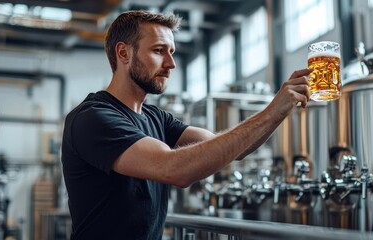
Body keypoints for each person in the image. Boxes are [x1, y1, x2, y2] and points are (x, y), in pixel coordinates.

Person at [61, 10, 312, 239]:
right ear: (124, 53)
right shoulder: (92, 118)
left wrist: (280, 111)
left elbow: (234, 148)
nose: (171, 64)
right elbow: (174, 169)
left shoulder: (156, 118)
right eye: (159, 51)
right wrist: (270, 111)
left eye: (171, 52)